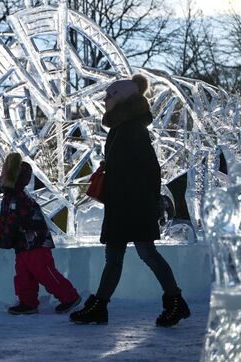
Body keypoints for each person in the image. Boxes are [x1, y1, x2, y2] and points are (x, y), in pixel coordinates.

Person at [69, 75, 190, 327]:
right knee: (116, 258)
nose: (104, 99)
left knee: (147, 253)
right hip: (123, 205)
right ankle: (100, 305)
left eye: (110, 95)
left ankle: (175, 301)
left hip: (134, 206)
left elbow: (151, 169)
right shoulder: (121, 128)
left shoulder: (132, 129)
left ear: (123, 99)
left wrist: (148, 202)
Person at [0, 152, 81, 315]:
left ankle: (70, 297)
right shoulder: (11, 196)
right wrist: (0, 240)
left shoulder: (18, 198)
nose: (0, 177)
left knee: (46, 273)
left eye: (3, 174)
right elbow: (5, 222)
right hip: (23, 245)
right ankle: (27, 303)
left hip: (36, 244)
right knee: (23, 275)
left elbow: (12, 223)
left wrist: (4, 241)